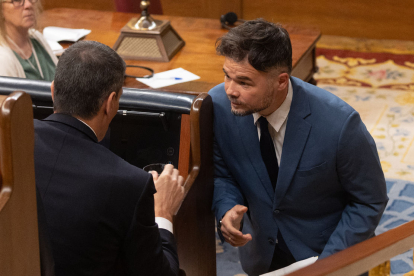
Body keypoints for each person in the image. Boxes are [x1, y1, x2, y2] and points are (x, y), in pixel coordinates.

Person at [209, 19, 388, 276]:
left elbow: (370, 201)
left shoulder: (339, 124)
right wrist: (227, 208)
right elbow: (222, 173)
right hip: (261, 257)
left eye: (244, 82)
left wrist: (328, 266)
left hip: (327, 254)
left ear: (281, 81)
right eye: (227, 75)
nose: (229, 90)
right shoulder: (219, 106)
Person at [34, 40, 185, 275]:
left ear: (53, 90)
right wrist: (163, 213)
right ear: (111, 102)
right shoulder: (130, 184)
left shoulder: (11, 142)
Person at [0, 0, 57, 80]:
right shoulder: (2, 60)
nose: (28, 5)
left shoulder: (36, 37)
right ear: (1, 9)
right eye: (17, 0)